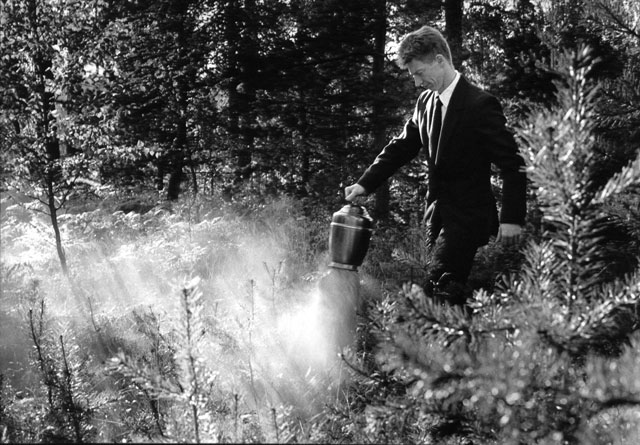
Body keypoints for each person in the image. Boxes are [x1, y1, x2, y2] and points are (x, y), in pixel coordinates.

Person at [344, 25, 526, 306]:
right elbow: (402, 146)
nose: (417, 83)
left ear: (439, 60)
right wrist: (365, 183)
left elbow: (513, 164)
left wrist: (512, 218)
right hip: (436, 220)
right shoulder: (425, 102)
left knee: (434, 297)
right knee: (448, 302)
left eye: (418, 73)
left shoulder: (481, 104)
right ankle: (462, 347)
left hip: (469, 221)